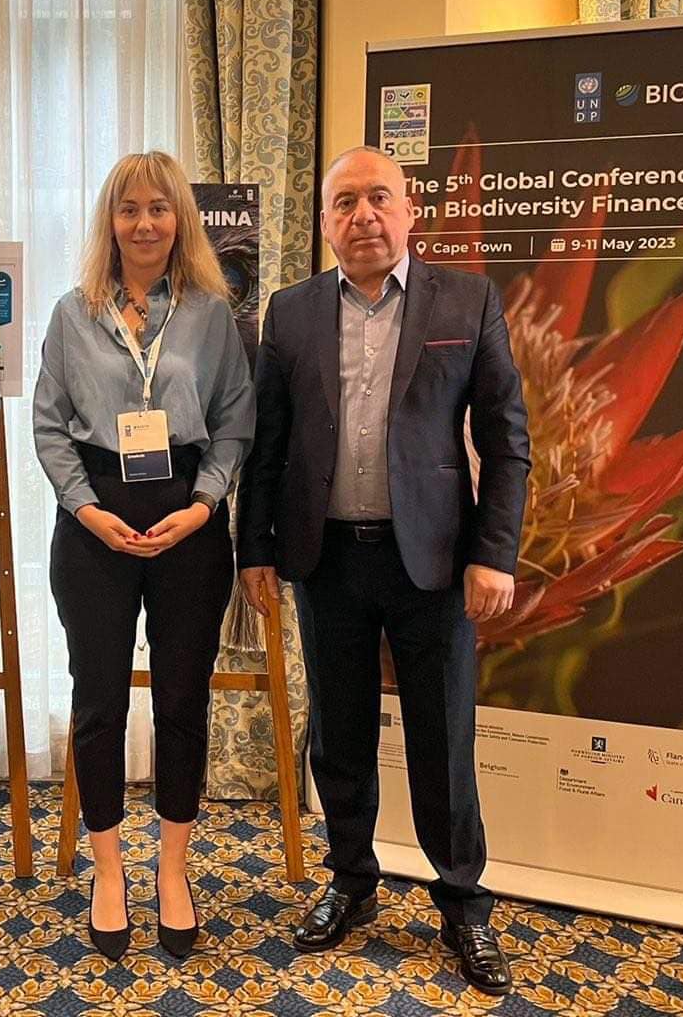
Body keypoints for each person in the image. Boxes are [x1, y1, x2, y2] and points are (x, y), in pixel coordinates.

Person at [236, 146, 530, 996]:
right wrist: (254, 548)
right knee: (340, 735)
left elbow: (507, 439)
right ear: (325, 221)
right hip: (325, 559)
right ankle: (351, 882)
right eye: (344, 203)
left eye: (378, 198)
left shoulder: (466, 300)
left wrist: (493, 553)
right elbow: (267, 444)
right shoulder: (291, 313)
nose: (362, 216)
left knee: (444, 740)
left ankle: (464, 904)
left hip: (432, 564)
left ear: (410, 211)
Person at [33, 151, 254, 962]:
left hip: (187, 521)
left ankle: (171, 868)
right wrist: (86, 510)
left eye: (160, 208)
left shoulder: (210, 315)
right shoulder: (72, 314)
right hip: (94, 521)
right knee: (98, 700)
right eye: (129, 209)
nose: (145, 223)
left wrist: (203, 506)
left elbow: (234, 420)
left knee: (181, 700)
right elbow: (49, 425)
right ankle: (107, 870)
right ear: (111, 222)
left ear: (180, 220)